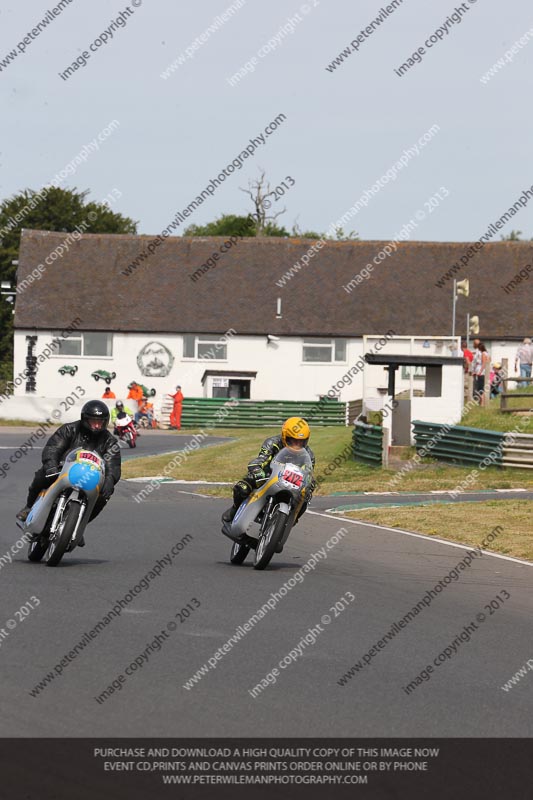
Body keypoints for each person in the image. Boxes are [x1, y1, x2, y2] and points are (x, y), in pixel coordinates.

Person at [16, 400, 121, 544]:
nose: (97, 425)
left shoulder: (110, 441)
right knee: (42, 474)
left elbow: (113, 465)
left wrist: (109, 481)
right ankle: (29, 507)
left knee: (103, 497)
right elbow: (53, 448)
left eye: (100, 422)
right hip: (63, 469)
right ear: (85, 419)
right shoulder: (69, 429)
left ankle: (77, 526)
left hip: (91, 477)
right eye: (93, 421)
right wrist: (51, 465)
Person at [221, 417, 316, 529]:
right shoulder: (273, 442)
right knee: (243, 487)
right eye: (293, 440)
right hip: (268, 475)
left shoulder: (308, 454)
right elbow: (261, 459)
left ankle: (288, 523)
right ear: (285, 436)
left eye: (302, 441)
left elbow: (308, 474)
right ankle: (235, 509)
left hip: (291, 482)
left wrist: (310, 484)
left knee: (304, 499)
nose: (297, 445)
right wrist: (257, 469)